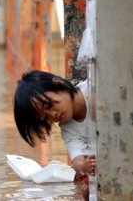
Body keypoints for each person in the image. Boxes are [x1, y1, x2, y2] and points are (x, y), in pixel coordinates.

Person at [13, 70, 96, 200]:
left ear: (59, 83)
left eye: (49, 105)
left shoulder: (95, 85)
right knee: (87, 190)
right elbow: (77, 161)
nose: (53, 114)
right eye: (46, 117)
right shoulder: (69, 129)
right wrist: (85, 167)